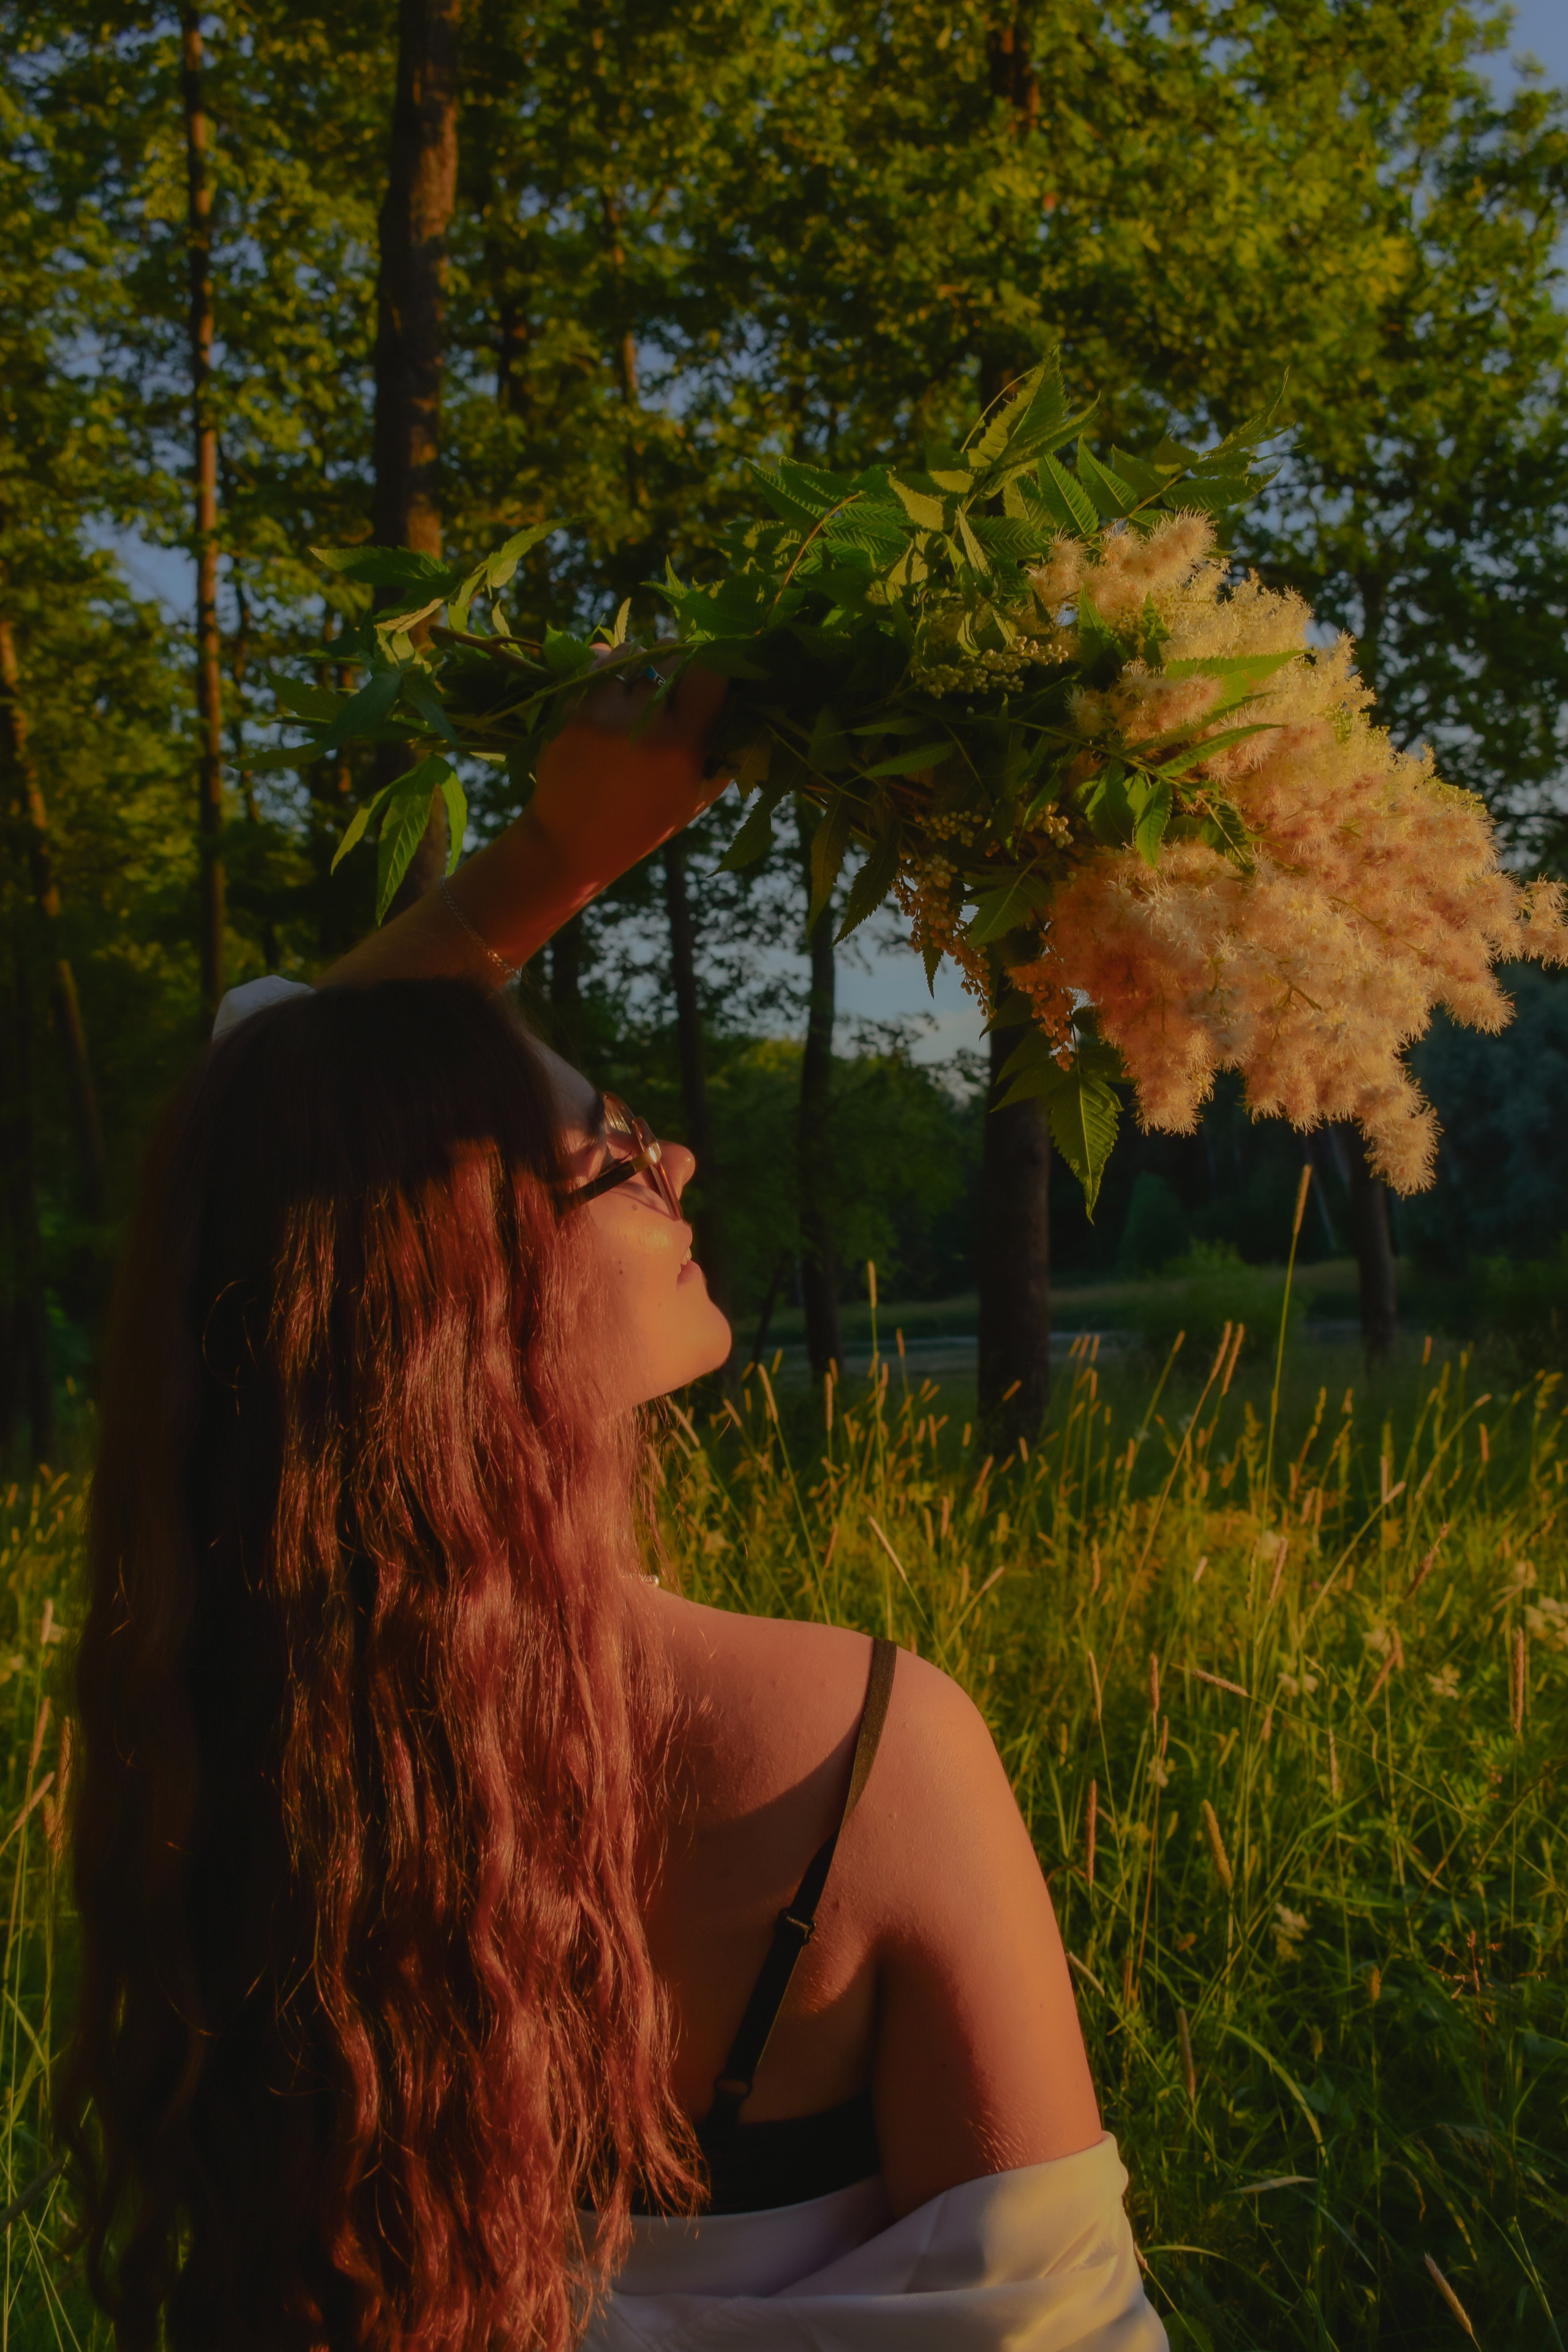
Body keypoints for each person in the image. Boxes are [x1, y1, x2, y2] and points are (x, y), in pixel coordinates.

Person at [65, 660, 1166, 2351]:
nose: (681, 1169)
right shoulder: (857, 1745)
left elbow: (272, 1118)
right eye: (621, 1158)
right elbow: (1063, 2330)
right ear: (476, 1289)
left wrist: (551, 853)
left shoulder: (248, 1745)